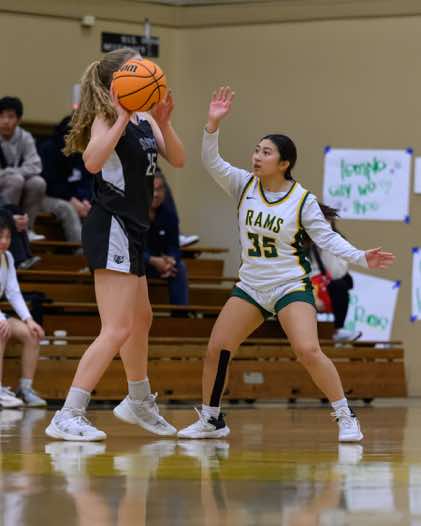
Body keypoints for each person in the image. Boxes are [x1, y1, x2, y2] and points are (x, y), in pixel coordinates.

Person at [177, 87, 395, 442]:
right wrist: (212, 125)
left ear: (284, 164)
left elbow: (327, 239)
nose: (257, 157)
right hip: (251, 286)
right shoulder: (243, 185)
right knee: (217, 348)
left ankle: (346, 416)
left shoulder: (302, 200)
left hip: (289, 285)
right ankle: (212, 420)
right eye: (256, 150)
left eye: (266, 152)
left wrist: (360, 256)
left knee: (307, 350)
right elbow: (212, 162)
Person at [45, 48, 186, 441]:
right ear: (119, 80)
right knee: (118, 327)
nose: (147, 69)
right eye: (136, 66)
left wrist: (165, 122)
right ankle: (68, 414)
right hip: (112, 226)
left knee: (142, 319)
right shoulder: (108, 117)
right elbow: (92, 162)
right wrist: (122, 115)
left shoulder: (147, 119)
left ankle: (138, 400)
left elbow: (178, 159)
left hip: (135, 230)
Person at [0, 215, 46, 408]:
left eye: (8, 237)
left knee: (32, 334)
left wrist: (29, 320)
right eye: (0, 236)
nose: (4, 241)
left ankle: (25, 389)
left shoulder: (8, 257)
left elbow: (13, 292)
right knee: (1, 330)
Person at [310, 213, 362, 343]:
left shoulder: (336, 241)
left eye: (328, 222)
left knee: (341, 285)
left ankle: (338, 329)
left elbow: (337, 272)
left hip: (323, 286)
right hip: (303, 287)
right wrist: (313, 296)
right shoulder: (303, 241)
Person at [0, 96, 46, 241]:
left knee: (38, 183)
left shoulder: (25, 137)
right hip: (6, 182)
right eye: (1, 116)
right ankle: (5, 228)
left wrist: (11, 172)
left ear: (19, 120)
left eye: (10, 117)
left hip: (16, 180)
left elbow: (36, 166)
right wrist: (11, 175)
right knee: (15, 180)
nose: (5, 121)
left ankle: (27, 229)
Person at [39, 115, 93, 231]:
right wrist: (71, 199)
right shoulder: (49, 150)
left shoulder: (83, 152)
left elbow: (88, 180)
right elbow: (50, 184)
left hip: (77, 199)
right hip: (48, 197)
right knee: (68, 209)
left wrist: (85, 199)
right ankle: (78, 243)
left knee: (96, 208)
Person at [145, 171, 189, 306]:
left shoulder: (169, 214)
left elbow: (174, 246)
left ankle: (180, 314)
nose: (155, 194)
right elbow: (131, 249)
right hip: (139, 263)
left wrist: (171, 260)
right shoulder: (134, 214)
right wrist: (152, 260)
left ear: (164, 191)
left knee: (179, 268)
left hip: (161, 265)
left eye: (159, 189)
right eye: (152, 189)